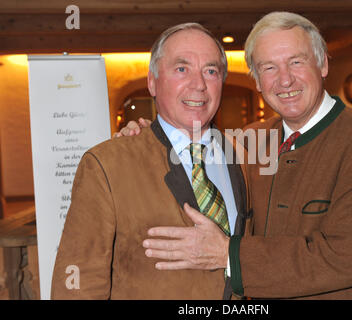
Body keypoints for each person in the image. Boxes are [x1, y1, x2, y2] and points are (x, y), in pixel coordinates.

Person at [122, 12, 352, 299]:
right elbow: (189, 140)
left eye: (296, 62)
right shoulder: (250, 141)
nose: (285, 80)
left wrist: (227, 254)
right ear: (257, 81)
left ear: (322, 64)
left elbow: (342, 259)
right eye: (268, 68)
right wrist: (151, 135)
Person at [51, 23, 250, 299]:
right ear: (152, 82)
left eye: (211, 71)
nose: (199, 84)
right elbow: (77, 284)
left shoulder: (245, 156)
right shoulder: (106, 165)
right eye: (182, 69)